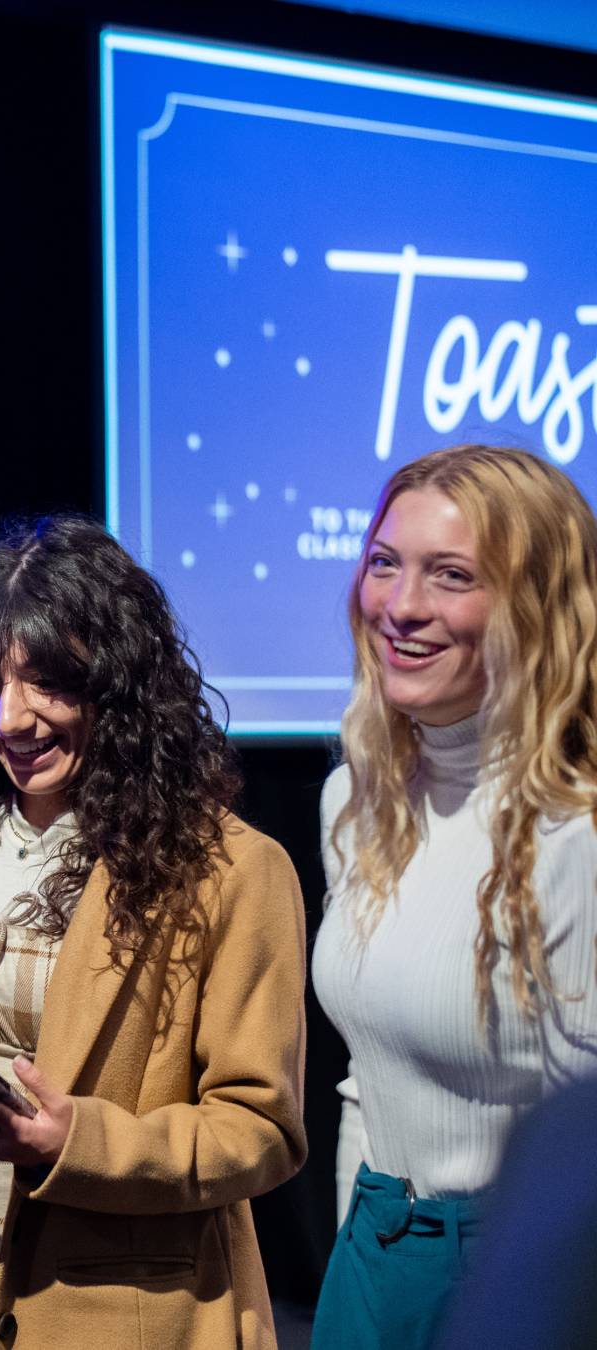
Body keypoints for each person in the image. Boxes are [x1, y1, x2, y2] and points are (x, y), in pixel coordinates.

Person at [0, 515, 305, 1350]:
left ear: (121, 686)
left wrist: (75, 1140)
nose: (10, 716)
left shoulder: (231, 870)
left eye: (48, 683)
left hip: (96, 1309)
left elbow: (261, 1129)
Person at [311, 444, 597, 1346]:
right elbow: (366, 1080)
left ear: (536, 606)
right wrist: (359, 1263)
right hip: (372, 1252)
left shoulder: (575, 834)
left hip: (523, 1276)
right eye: (386, 564)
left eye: (451, 576)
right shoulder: (355, 801)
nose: (400, 607)